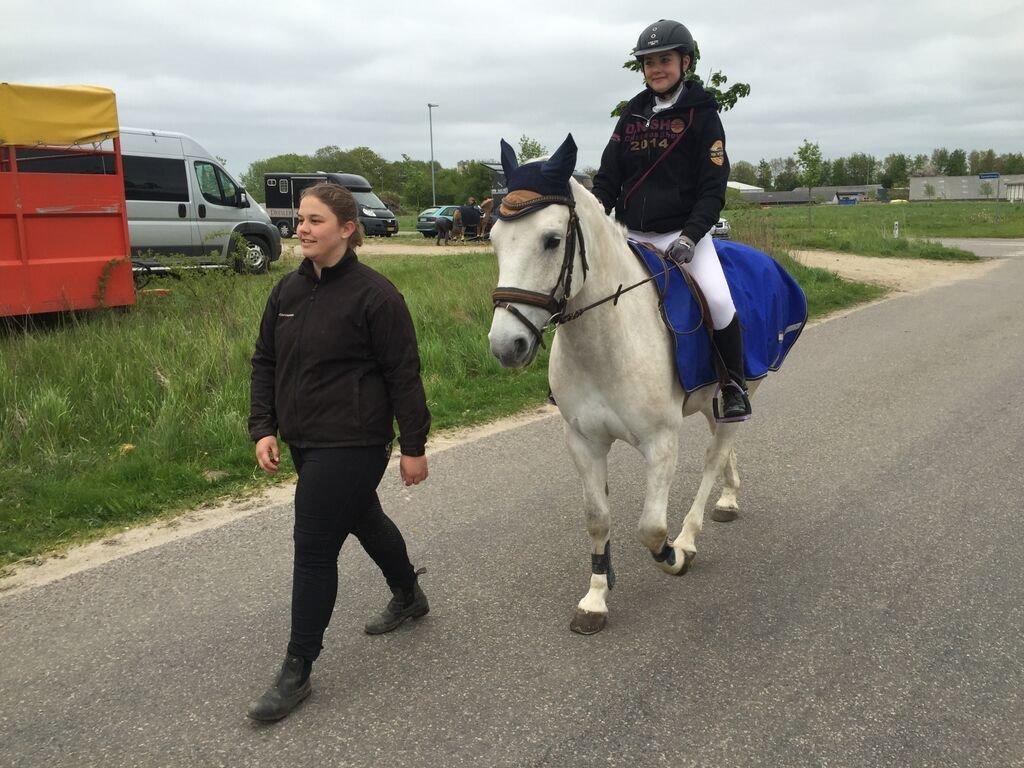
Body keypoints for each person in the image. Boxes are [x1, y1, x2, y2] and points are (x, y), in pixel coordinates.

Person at [247, 182, 432, 722]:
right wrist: (264, 426)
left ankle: (297, 668)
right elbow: (265, 362)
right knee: (363, 517)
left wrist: (413, 446)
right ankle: (409, 594)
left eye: (315, 221)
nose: (301, 228)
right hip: (305, 437)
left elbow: (404, 375)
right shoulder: (286, 292)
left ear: (347, 229)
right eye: (300, 219)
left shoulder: (377, 296)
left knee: (313, 543)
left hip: (355, 440)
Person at [592, 19, 750, 421]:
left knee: (717, 299)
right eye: (648, 63)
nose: (656, 69)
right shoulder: (631, 115)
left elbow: (712, 188)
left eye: (664, 60)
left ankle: (733, 385)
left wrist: (692, 236)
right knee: (588, 293)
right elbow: (609, 178)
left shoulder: (703, 115)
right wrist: (594, 218)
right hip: (632, 237)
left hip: (682, 236)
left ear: (685, 62)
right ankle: (577, 383)